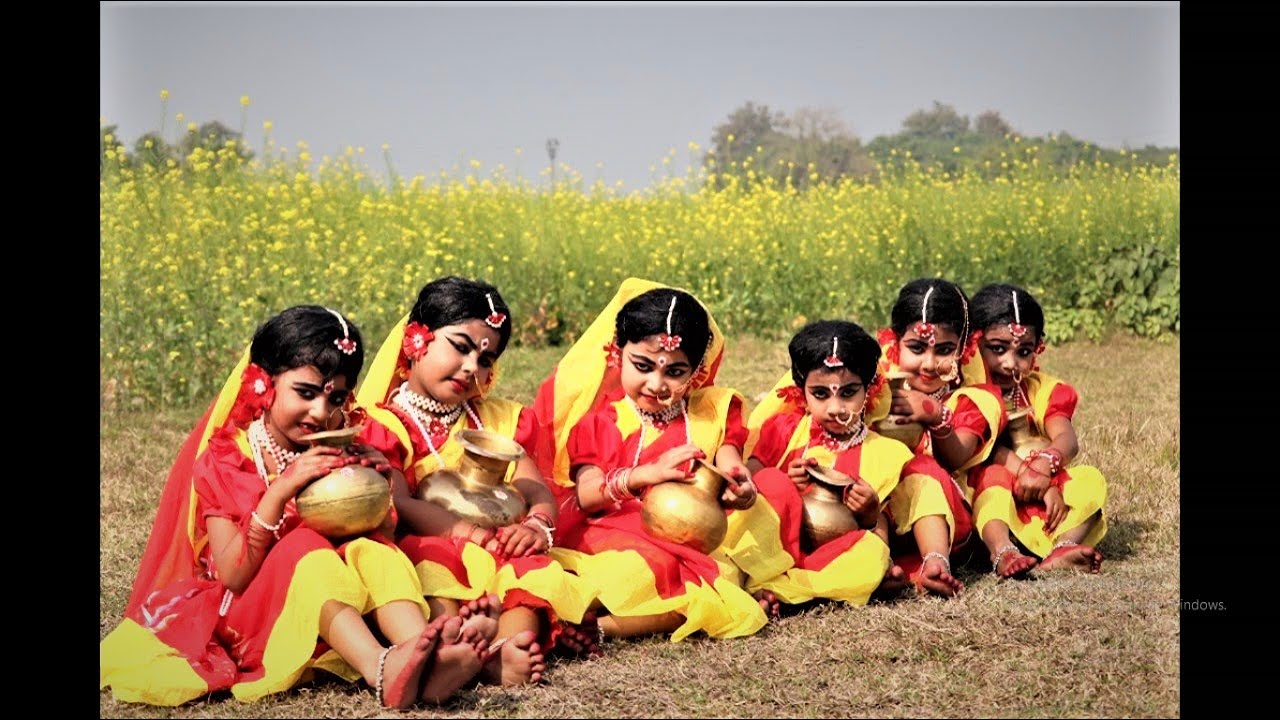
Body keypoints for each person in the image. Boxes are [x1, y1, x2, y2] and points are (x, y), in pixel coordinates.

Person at [100, 305, 496, 709]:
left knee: (373, 547)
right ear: (262, 384)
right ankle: (380, 666)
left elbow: (388, 536)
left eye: (336, 398)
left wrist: (378, 488)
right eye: (305, 394)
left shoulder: (338, 448)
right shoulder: (227, 460)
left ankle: (420, 656)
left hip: (331, 614)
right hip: (248, 617)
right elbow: (233, 575)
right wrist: (280, 492)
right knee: (303, 544)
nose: (320, 413)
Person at [355, 276, 599, 687]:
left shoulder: (499, 420)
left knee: (532, 575)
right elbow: (399, 502)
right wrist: (468, 533)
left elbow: (535, 488)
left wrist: (538, 525)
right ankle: (452, 646)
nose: (472, 367)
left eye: (486, 360)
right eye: (461, 347)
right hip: (425, 545)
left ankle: (503, 648)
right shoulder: (384, 424)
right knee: (430, 576)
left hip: (500, 548)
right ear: (417, 339)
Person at [531, 278, 775, 642]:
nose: (657, 384)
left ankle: (599, 626)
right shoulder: (600, 421)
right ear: (617, 355)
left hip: (698, 535)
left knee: (721, 571)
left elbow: (731, 466)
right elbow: (586, 495)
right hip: (617, 533)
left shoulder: (712, 412)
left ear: (696, 371)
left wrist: (742, 489)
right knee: (638, 571)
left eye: (675, 372)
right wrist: (644, 476)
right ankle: (602, 613)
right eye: (643, 366)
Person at [736, 319, 914, 607]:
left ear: (869, 390)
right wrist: (784, 483)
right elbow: (748, 494)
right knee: (771, 482)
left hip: (831, 553)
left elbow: (878, 531)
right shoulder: (782, 429)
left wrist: (869, 514)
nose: (835, 408)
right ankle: (786, 585)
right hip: (776, 547)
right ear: (800, 391)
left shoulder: (886, 452)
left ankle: (781, 589)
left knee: (872, 553)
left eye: (848, 393)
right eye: (820, 394)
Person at [964, 283, 1106, 575]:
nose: (1010, 363)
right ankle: (1002, 551)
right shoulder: (967, 394)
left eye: (1024, 351)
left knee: (1089, 481)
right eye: (997, 349)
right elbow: (986, 451)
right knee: (993, 478)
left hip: (1044, 486)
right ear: (973, 346)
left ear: (1037, 349)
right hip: (990, 493)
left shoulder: (1041, 389)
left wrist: (1045, 466)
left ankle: (1062, 547)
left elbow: (1066, 439)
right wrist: (1026, 473)